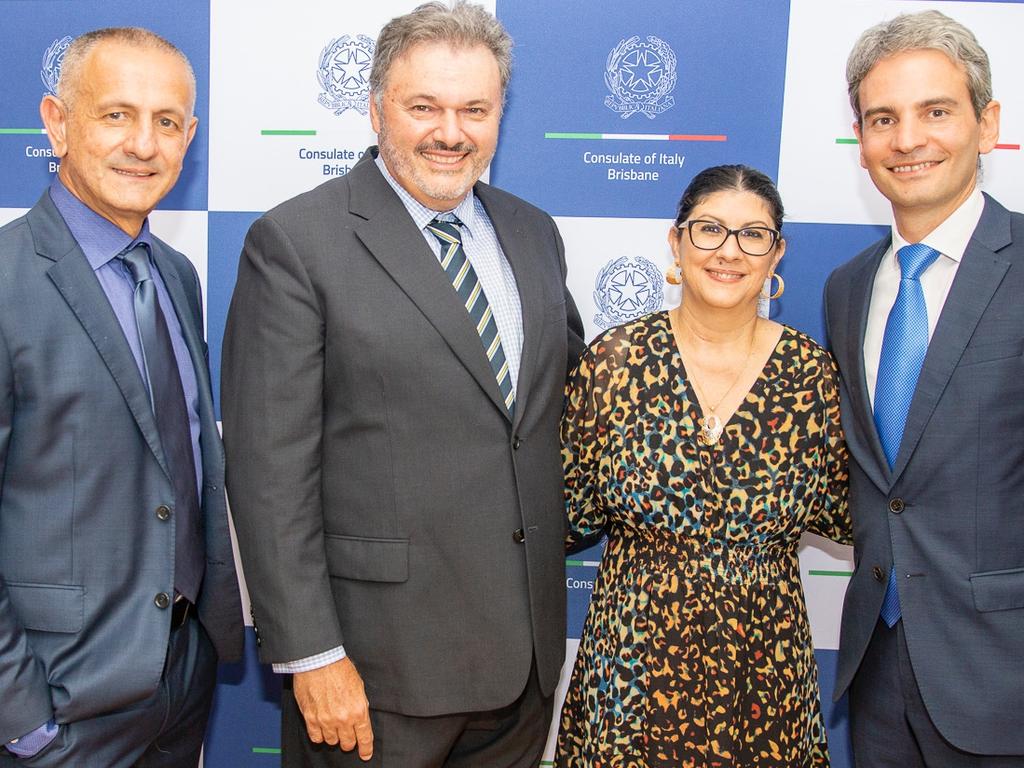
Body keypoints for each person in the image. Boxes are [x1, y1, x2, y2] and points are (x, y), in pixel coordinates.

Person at [220, 2, 585, 765]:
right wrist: (312, 654)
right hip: (375, 674)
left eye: (475, 110)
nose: (451, 132)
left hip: (521, 670)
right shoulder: (294, 242)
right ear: (377, 105)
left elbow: (562, 405)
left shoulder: (533, 231)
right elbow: (268, 472)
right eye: (425, 106)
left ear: (499, 115)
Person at [0, 27, 243, 767]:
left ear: (189, 136)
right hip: (60, 709)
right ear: (57, 121)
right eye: (116, 115)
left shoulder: (176, 276)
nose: (144, 143)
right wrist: (22, 717)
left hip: (180, 686)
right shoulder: (6, 282)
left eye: (166, 122)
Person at [556, 165, 850, 767]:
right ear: (676, 242)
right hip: (629, 676)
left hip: (763, 681)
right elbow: (561, 514)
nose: (729, 251)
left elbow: (853, 513)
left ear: (777, 255)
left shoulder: (811, 375)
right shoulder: (614, 364)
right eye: (710, 229)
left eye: (753, 235)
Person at [827, 10, 1024, 765]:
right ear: (862, 139)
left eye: (935, 111)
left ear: (987, 123)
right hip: (877, 678)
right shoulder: (848, 290)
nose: (908, 140)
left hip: (1002, 678)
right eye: (883, 118)